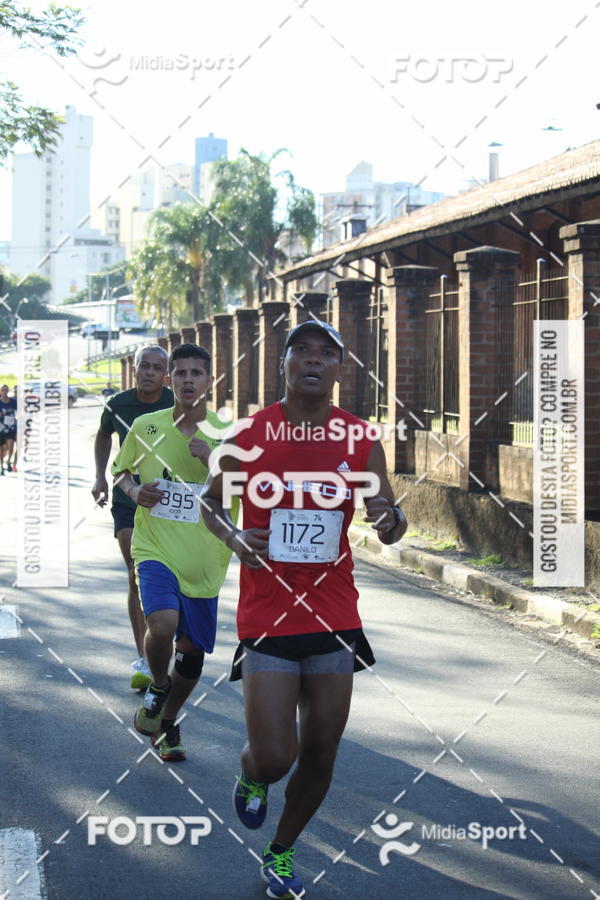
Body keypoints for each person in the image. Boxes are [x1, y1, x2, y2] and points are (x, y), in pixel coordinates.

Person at [201, 319, 407, 899]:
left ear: (340, 369)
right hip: (267, 612)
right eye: (302, 351)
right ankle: (253, 776)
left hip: (334, 613)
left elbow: (386, 516)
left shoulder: (360, 438)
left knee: (320, 750)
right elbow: (210, 506)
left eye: (327, 353)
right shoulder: (247, 435)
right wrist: (237, 538)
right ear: (284, 365)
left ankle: (283, 851)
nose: (314, 360)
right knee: (273, 756)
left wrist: (392, 521)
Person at [111, 343, 238, 761]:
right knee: (161, 625)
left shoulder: (226, 435)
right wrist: (134, 490)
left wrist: (217, 464)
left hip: (203, 561)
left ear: (210, 381)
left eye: (196, 374)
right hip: (154, 548)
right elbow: (121, 472)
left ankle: (167, 720)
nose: (187, 380)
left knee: (193, 655)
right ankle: (158, 683)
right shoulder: (147, 426)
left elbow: (248, 492)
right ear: (170, 380)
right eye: (180, 373)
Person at [92, 346, 173, 690]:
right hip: (128, 498)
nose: (150, 372)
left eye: (158, 367)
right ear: (135, 369)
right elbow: (103, 435)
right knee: (136, 572)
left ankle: (164, 643)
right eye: (145, 366)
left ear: (165, 374)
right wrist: (100, 477)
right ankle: (145, 656)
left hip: (167, 500)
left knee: (170, 577)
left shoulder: (175, 401)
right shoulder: (118, 404)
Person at [0, 384, 17, 474]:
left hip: (11, 427)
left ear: (8, 391)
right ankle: (2, 466)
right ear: (0, 391)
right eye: (3, 390)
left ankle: (9, 461)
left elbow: (20, 411)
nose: (4, 392)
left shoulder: (13, 402)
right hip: (1, 427)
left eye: (6, 390)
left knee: (11, 446)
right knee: (2, 448)